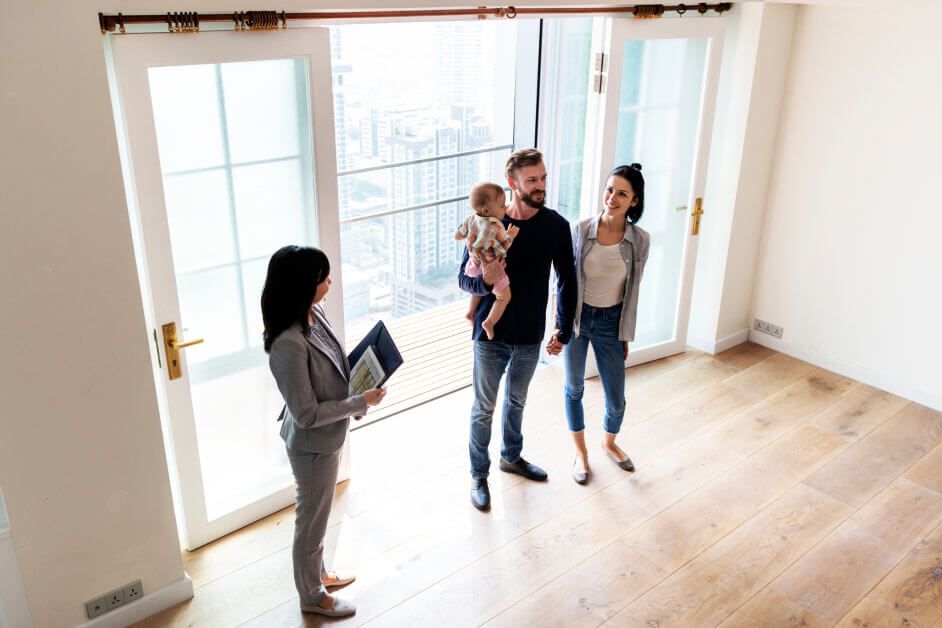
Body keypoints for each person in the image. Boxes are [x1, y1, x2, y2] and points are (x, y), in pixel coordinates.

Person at [261, 245, 387, 617]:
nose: (330, 282)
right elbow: (305, 414)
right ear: (303, 285)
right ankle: (313, 597)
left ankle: (318, 574)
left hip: (327, 437)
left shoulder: (311, 313)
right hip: (312, 445)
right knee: (311, 522)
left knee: (318, 515)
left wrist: (358, 395)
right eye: (322, 278)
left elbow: (334, 367)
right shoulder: (287, 342)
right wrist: (357, 403)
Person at [458, 148, 577, 511]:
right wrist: (486, 282)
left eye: (542, 178)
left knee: (517, 401)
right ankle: (479, 474)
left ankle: (511, 457)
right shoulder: (485, 223)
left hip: (529, 334)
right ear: (512, 184)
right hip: (490, 336)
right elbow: (465, 279)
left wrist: (564, 328)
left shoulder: (556, 226)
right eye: (532, 180)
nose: (540, 186)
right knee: (483, 408)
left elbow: (567, 280)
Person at [563, 164, 650, 485]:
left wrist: (625, 333)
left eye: (622, 193)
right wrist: (560, 327)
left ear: (634, 201)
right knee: (574, 389)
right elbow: (565, 284)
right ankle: (580, 453)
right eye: (610, 189)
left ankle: (609, 443)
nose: (612, 198)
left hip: (611, 322)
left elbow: (633, 291)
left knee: (616, 399)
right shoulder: (580, 230)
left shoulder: (640, 241)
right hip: (578, 319)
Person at [455, 182, 520, 339]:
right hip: (492, 267)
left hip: (473, 265)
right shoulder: (496, 226)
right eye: (502, 206)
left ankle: (470, 312)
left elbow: (458, 235)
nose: (505, 208)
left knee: (478, 289)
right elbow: (504, 246)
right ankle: (489, 322)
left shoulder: (470, 219)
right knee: (504, 297)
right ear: (487, 210)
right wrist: (511, 234)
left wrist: (469, 239)